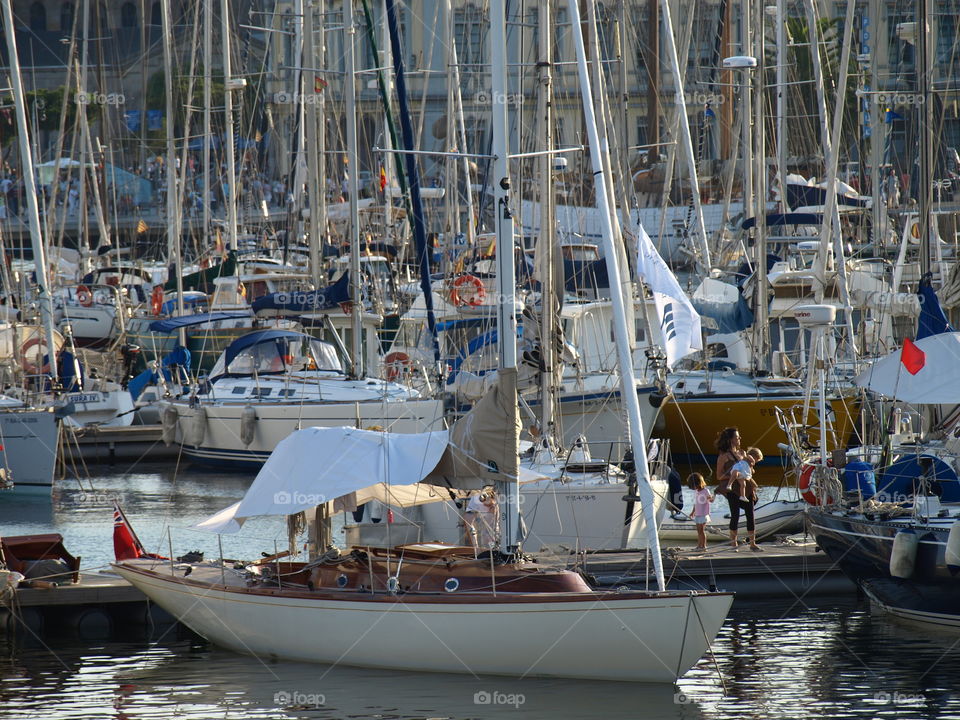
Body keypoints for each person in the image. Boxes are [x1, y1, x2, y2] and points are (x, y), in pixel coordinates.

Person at [715, 426, 761, 552]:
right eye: (737, 437)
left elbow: (750, 471)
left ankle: (753, 543)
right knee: (735, 515)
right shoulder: (723, 457)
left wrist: (751, 467)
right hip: (733, 489)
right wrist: (735, 475)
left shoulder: (743, 453)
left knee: (750, 515)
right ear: (731, 440)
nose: (739, 438)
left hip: (747, 488)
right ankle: (733, 544)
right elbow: (719, 476)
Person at [464, 486, 500, 551]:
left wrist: (490, 502)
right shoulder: (475, 498)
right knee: (468, 525)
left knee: (487, 534)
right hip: (477, 500)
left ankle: (494, 549)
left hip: (491, 504)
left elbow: (492, 504)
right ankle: (476, 550)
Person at [687, 473, 714, 550]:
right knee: (699, 531)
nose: (694, 488)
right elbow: (696, 503)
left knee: (701, 531)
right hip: (698, 514)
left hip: (703, 514)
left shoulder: (705, 491)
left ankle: (704, 546)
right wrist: (693, 512)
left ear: (698, 483)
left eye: (694, 486)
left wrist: (712, 497)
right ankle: (699, 546)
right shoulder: (697, 492)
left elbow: (711, 500)